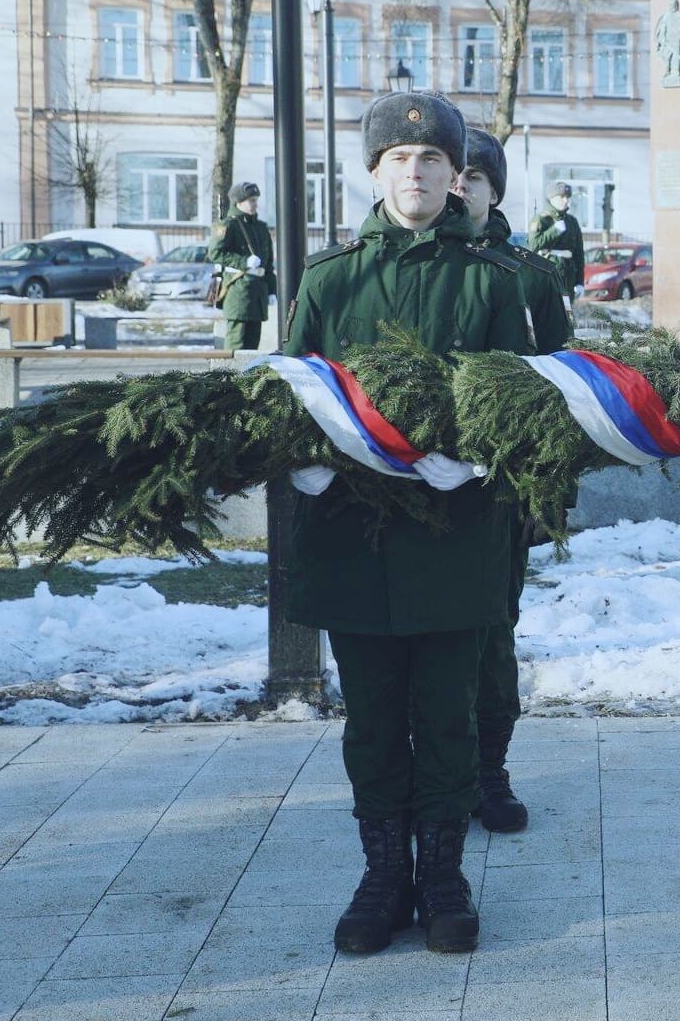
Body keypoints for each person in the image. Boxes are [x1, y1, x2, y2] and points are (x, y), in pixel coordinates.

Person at [285, 90, 530, 956]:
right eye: (402, 160)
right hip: (356, 539)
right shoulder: (330, 277)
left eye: (436, 162)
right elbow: (291, 396)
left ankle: (444, 877)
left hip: (456, 537)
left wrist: (480, 458)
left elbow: (523, 401)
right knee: (375, 721)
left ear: (459, 177)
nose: (418, 174)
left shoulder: (491, 280)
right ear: (376, 170)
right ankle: (382, 875)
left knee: (450, 719)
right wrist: (306, 462)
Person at [454, 128, 572, 835]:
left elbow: (563, 392)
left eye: (477, 176)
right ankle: (435, 771)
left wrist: (547, 491)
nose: (462, 186)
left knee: (494, 641)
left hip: (501, 491)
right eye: (454, 172)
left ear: (495, 189)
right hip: (420, 485)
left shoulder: (530, 276)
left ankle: (489, 773)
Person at [208, 182, 275, 350]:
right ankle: (231, 376)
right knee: (236, 344)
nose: (254, 204)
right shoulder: (228, 225)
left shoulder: (261, 228)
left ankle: (248, 376)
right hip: (238, 291)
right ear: (239, 202)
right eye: (251, 200)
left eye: (255, 200)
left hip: (258, 291)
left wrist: (272, 290)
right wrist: (243, 262)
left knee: (253, 344)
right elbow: (215, 253)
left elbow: (268, 263)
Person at [530, 183, 585, 296]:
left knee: (567, 312)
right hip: (547, 275)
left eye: (567, 197)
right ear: (551, 198)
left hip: (568, 276)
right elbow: (534, 245)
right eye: (561, 197)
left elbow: (579, 254)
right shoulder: (542, 219)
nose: (565, 201)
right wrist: (554, 231)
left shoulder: (572, 222)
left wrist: (579, 282)